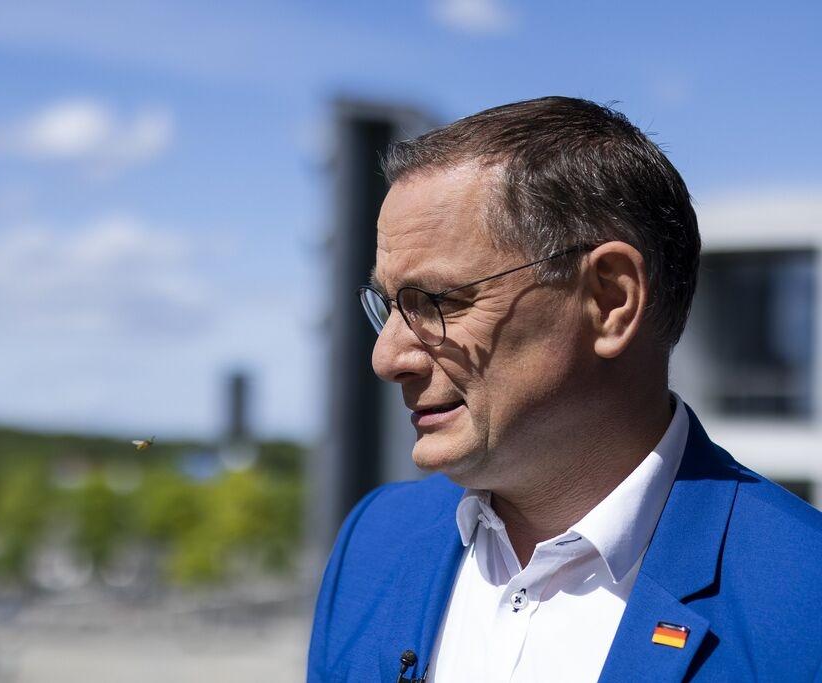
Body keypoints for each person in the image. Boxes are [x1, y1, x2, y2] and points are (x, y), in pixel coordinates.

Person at [307, 96, 822, 682]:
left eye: (439, 302)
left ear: (609, 300)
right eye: (390, 306)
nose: (386, 357)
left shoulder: (804, 606)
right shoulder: (374, 541)